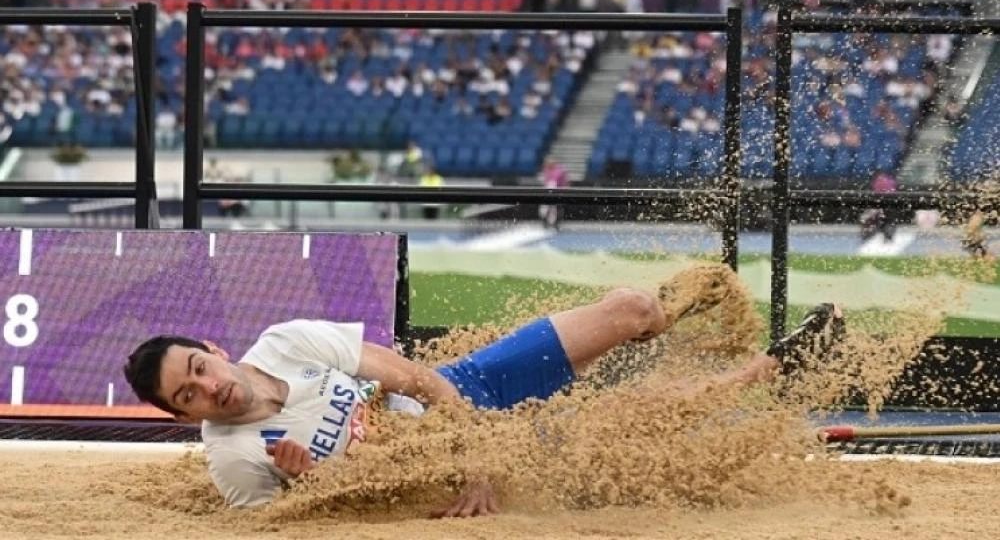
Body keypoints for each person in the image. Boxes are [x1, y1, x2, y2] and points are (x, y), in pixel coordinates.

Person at [122, 264, 846, 516]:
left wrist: (479, 460)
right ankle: (774, 371)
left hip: (461, 396)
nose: (208, 389)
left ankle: (682, 308)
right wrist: (308, 492)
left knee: (633, 310)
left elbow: (416, 379)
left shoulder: (286, 340)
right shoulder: (237, 459)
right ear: (184, 417)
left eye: (198, 368)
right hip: (431, 464)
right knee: (631, 423)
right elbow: (301, 523)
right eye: (187, 397)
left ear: (212, 349)